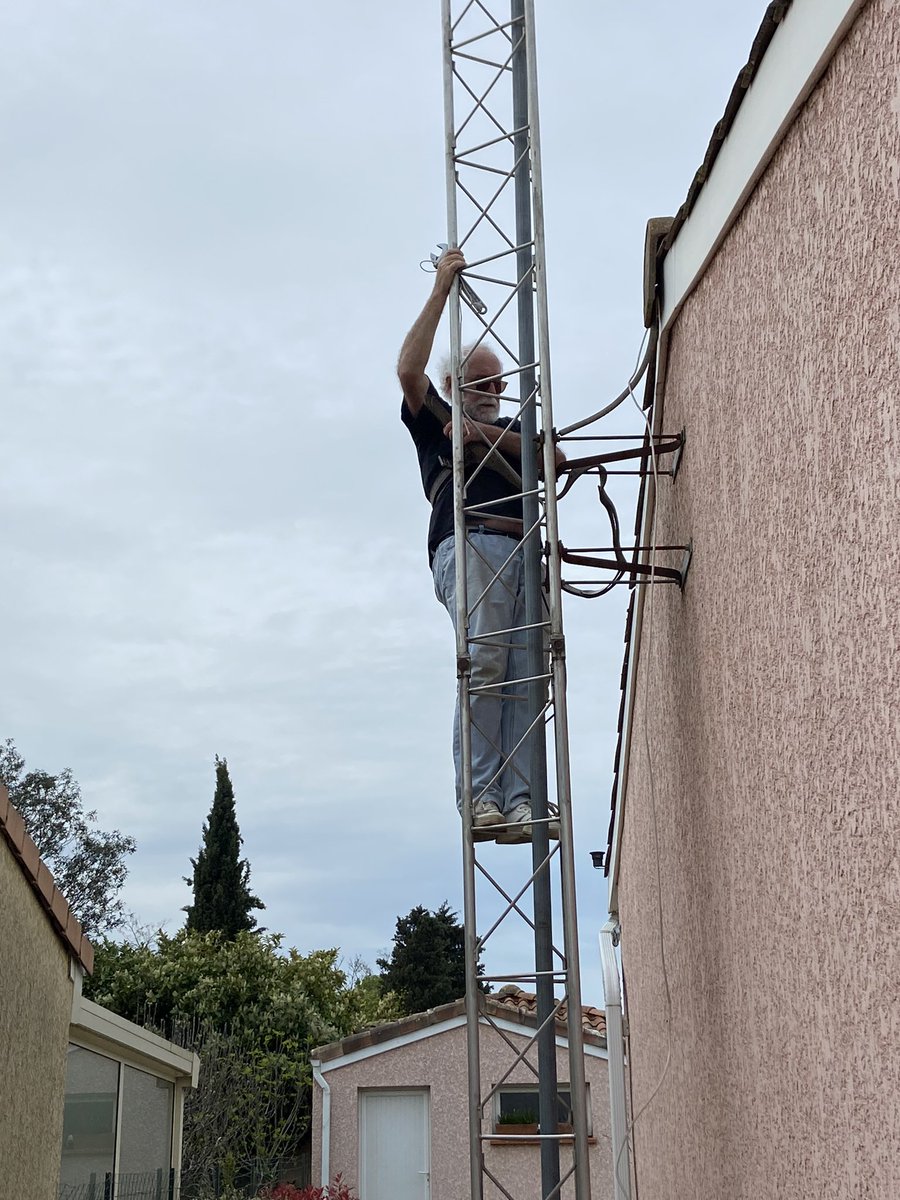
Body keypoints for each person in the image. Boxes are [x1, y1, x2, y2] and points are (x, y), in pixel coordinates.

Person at [397, 248, 562, 844]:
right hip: (471, 542)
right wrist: (443, 289)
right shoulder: (434, 417)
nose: (492, 389)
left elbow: (556, 459)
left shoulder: (511, 428)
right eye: (479, 383)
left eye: (497, 382)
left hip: (524, 552)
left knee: (527, 675)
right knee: (485, 663)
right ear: (454, 387)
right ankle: (481, 796)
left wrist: (484, 432)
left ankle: (520, 799)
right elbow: (408, 371)